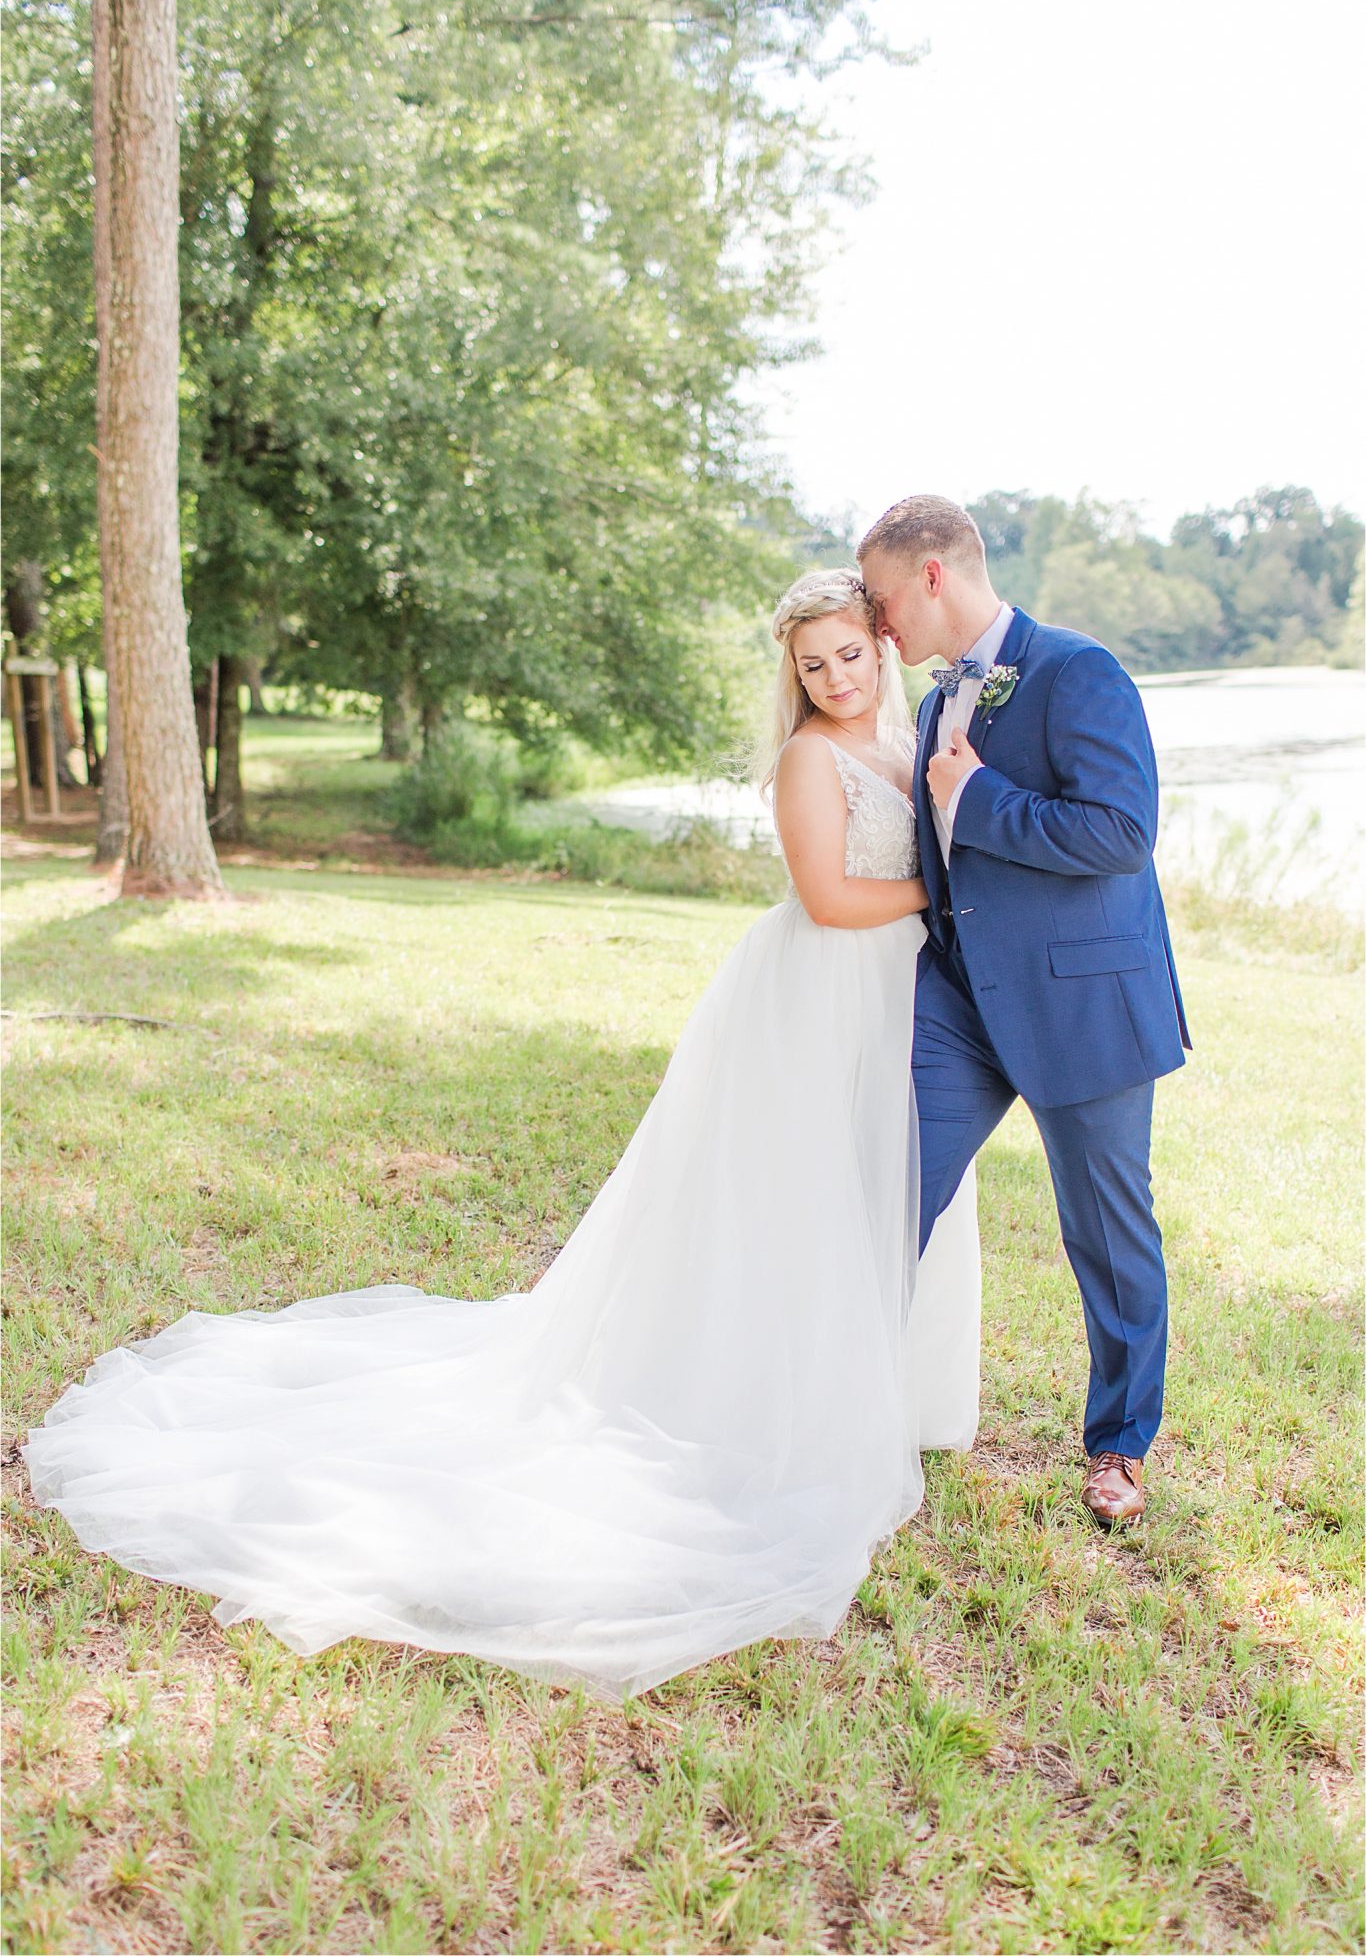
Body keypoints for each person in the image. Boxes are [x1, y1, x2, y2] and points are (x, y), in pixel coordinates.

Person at [22, 569, 980, 1703]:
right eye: (810, 664)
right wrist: (946, 887)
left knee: (880, 1187)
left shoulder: (917, 727)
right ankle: (759, 1391)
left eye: (848, 657)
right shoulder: (811, 761)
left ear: (884, 640)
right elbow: (826, 896)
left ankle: (884, 1384)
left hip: (893, 1001)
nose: (831, 679)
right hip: (817, 993)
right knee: (798, 1197)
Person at [858, 497, 1190, 1530]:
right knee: (884, 1184)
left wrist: (981, 797)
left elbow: (1118, 833)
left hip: (1081, 1002)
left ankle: (1118, 1445)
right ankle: (830, 1403)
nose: (876, 628)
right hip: (961, 996)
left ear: (929, 577)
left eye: (878, 600)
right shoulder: (928, 705)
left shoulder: (1076, 670)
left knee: (1106, 1231)